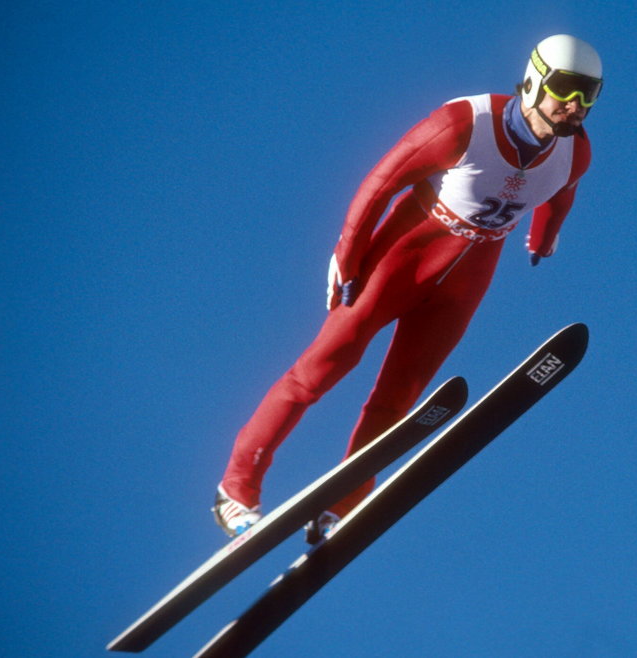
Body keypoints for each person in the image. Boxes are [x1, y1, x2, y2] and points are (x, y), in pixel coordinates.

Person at [212, 34, 604, 540]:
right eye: (566, 89)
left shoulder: (575, 153)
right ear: (533, 80)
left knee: (399, 398)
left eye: (588, 95)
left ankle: (345, 504)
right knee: (320, 369)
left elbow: (561, 195)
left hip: (469, 274)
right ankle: (236, 489)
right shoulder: (464, 123)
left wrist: (543, 238)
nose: (574, 107)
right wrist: (348, 254)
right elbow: (381, 181)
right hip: (405, 253)